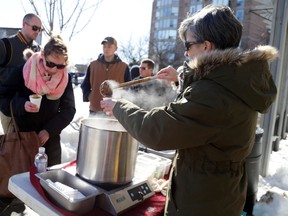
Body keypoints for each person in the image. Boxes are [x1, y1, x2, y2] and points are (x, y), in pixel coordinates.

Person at [100, 4, 278, 216]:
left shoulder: (214, 95)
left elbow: (156, 131)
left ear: (206, 46)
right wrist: (181, 77)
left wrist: (118, 106)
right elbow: (206, 90)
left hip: (203, 201)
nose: (185, 52)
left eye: (188, 44)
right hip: (218, 192)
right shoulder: (235, 79)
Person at [0, 35, 76, 167]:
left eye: (60, 66)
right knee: (21, 183)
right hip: (21, 139)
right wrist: (22, 105)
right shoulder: (23, 71)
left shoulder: (65, 79)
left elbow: (69, 110)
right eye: (50, 64)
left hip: (50, 144)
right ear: (42, 56)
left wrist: (49, 130)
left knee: (47, 184)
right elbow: (3, 97)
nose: (54, 70)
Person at [0, 13, 42, 133]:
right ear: (24, 24)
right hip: (10, 107)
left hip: (32, 108)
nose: (37, 31)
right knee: (13, 147)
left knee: (29, 148)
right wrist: (19, 73)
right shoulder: (5, 45)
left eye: (40, 29)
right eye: (35, 28)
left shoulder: (39, 50)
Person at [80, 36, 131, 114]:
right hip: (95, 109)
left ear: (116, 48)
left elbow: (128, 88)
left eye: (109, 46)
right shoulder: (93, 65)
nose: (106, 49)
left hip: (115, 111)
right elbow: (85, 84)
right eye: (104, 46)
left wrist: (122, 103)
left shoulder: (123, 67)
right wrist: (90, 97)